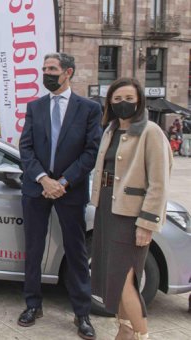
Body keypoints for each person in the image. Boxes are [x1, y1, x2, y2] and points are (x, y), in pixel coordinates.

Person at [18, 52, 102, 339]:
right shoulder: (34, 107)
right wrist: (43, 178)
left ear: (68, 72)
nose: (46, 73)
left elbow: (91, 152)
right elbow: (25, 149)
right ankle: (33, 304)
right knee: (33, 250)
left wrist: (63, 182)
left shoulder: (89, 109)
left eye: (52, 69)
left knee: (76, 252)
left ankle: (82, 313)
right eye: (44, 69)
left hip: (70, 191)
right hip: (36, 188)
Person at [90, 78, 172, 340]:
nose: (122, 104)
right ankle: (124, 328)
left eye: (128, 98)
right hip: (107, 210)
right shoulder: (110, 130)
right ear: (109, 103)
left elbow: (159, 182)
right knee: (112, 277)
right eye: (116, 99)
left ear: (139, 101)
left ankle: (141, 334)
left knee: (127, 280)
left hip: (131, 216)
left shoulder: (151, 131)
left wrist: (147, 223)